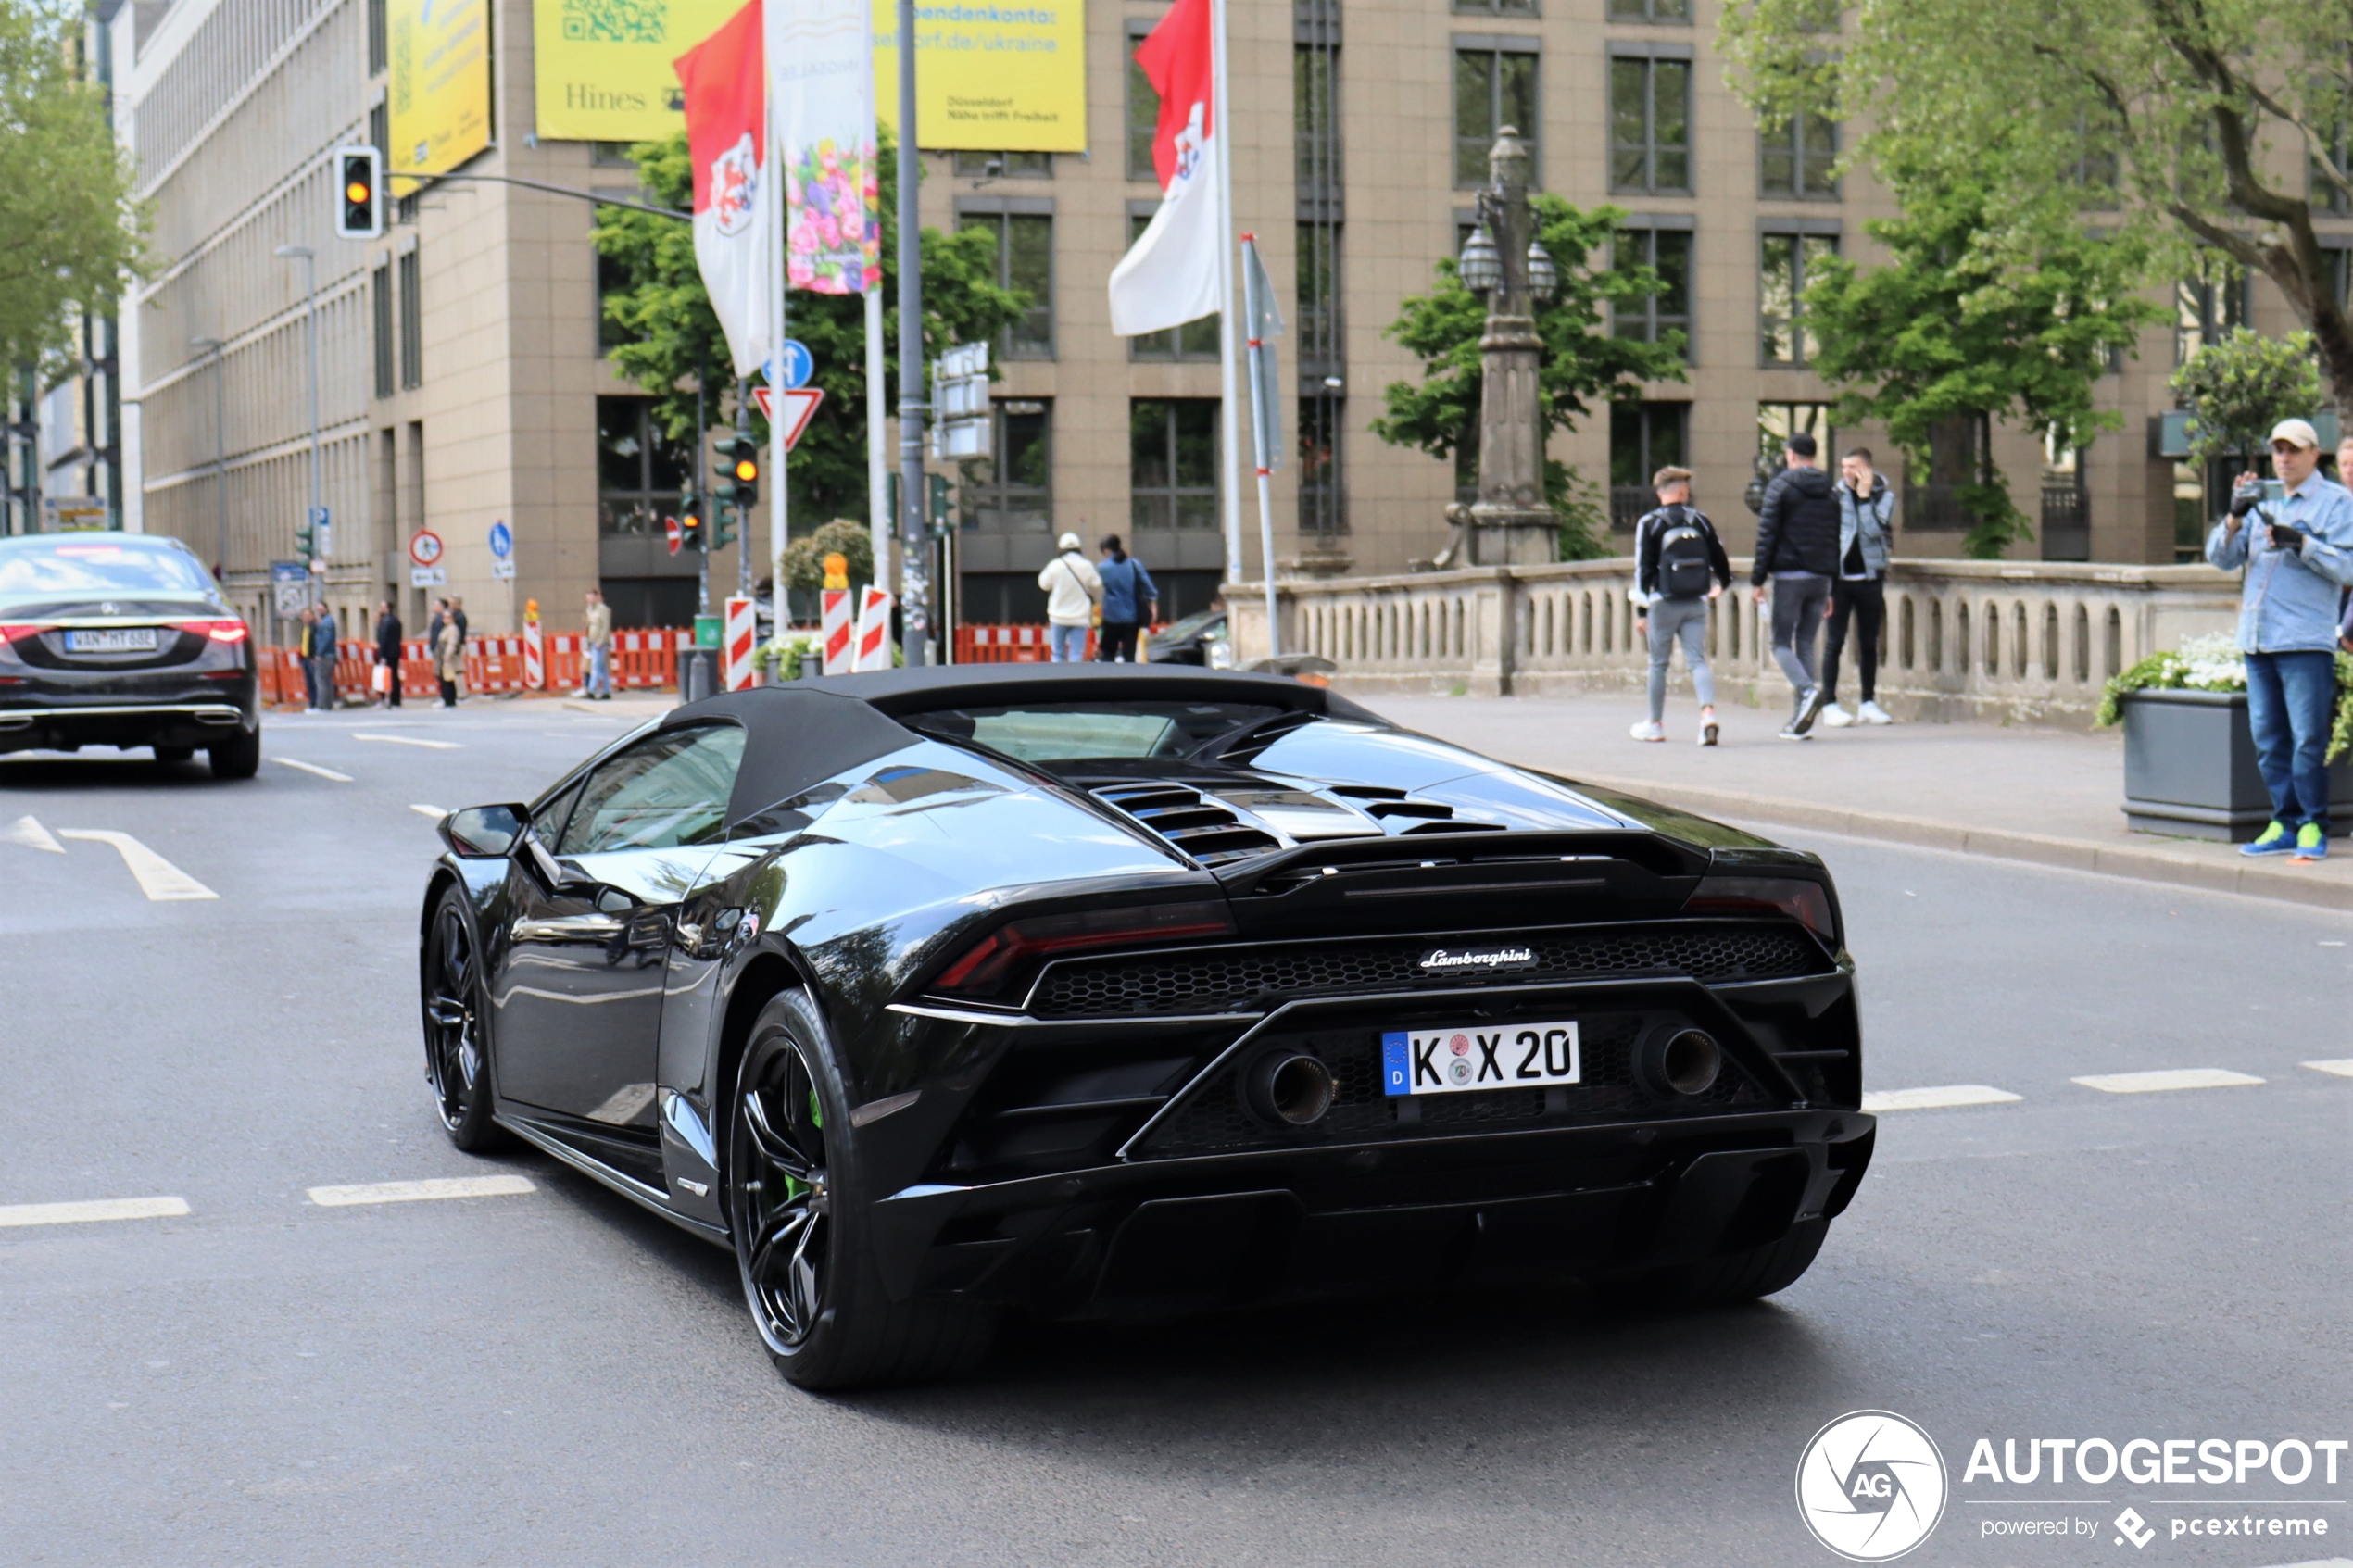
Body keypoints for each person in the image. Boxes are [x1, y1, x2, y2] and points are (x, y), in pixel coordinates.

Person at [2207, 418, 2353, 860]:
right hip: (2259, 636)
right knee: (2268, 738)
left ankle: (2313, 825)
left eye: (2294, 450)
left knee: (2308, 739)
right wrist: (2235, 515)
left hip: (2304, 639)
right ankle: (2284, 822)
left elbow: (2348, 568)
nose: (2285, 458)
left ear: (2314, 455)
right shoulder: (2262, 498)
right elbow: (2221, 558)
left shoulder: (2338, 503)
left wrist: (2303, 545)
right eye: (2278, 450)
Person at [1749, 431, 1843, 739]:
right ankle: (1801, 721)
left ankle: (1807, 691)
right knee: (1805, 642)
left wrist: (1758, 579)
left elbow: (1767, 536)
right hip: (1821, 577)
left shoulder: (1781, 487)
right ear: (1814, 456)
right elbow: (1835, 539)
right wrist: (1832, 585)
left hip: (1790, 576)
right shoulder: (1830, 491)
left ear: (1790, 455)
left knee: (1779, 642)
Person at [1629, 465, 1731, 746]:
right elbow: (1720, 559)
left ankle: (1655, 724)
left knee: (1658, 664)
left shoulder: (1650, 523)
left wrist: (1641, 611)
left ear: (1660, 492)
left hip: (1663, 602)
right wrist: (1722, 584)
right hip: (1696, 601)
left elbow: (1643, 569)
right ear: (1684, 493)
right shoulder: (1700, 520)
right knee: (1697, 661)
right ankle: (1707, 716)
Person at [1818, 446, 1897, 728]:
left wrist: (1864, 498)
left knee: (1868, 643)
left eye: (1852, 467)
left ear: (1866, 469)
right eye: (1843, 467)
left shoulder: (1885, 496)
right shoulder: (1834, 496)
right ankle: (1829, 703)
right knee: (1834, 642)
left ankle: (1868, 702)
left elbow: (1874, 531)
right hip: (1840, 580)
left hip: (1870, 579)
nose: (1846, 472)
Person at [1037, 532, 1101, 662]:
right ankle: (1074, 675)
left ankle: (1057, 675)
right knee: (1076, 654)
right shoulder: (1086, 565)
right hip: (1080, 617)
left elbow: (1043, 584)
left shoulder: (1055, 565)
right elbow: (1097, 583)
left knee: (1057, 653)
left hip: (1058, 616)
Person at [1094, 534, 1158, 662]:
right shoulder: (1134, 564)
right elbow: (1148, 588)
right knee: (1129, 657)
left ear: (1107, 550)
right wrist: (1153, 604)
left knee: (1108, 656)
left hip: (1110, 617)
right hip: (1131, 618)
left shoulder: (1102, 568)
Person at [578, 587, 614, 699]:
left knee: (595, 667)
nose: (590, 600)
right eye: (588, 598)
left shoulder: (602, 609)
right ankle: (606, 691)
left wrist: (601, 641)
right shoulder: (590, 610)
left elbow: (605, 626)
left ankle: (592, 690)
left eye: (591, 597)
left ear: (596, 597)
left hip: (599, 643)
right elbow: (587, 624)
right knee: (602, 668)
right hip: (592, 641)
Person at [373, 600, 403, 709]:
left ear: (387, 609)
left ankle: (391, 700)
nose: (380, 608)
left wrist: (381, 654)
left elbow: (383, 639)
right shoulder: (395, 620)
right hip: (395, 651)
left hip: (388, 653)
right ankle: (395, 700)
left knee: (389, 676)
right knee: (394, 675)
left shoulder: (386, 621)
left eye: (382, 607)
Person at [311, 602, 339, 710]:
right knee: (326, 680)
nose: (319, 611)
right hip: (327, 654)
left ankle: (322, 704)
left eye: (321, 609)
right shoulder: (324, 621)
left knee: (321, 680)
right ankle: (327, 704)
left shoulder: (327, 622)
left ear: (326, 609)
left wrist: (319, 653)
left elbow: (326, 639)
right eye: (317, 609)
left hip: (325, 655)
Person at [435, 610, 465, 709]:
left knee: (448, 679)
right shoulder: (446, 628)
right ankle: (446, 699)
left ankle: (449, 700)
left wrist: (447, 656)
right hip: (442, 656)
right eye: (444, 617)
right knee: (444, 678)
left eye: (448, 617)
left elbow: (452, 643)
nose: (445, 619)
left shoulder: (453, 629)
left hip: (448, 658)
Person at [296, 606, 320, 710]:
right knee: (308, 682)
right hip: (305, 657)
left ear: (312, 616)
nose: (306, 618)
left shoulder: (315, 627)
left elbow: (316, 643)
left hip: (311, 658)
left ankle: (316, 702)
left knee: (314, 681)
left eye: (308, 615)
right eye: (304, 616)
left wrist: (314, 656)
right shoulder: (305, 627)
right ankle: (311, 702)